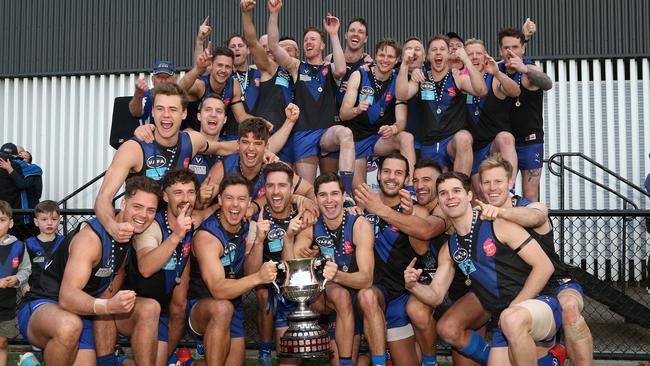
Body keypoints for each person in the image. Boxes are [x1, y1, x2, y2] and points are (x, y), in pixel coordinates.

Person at [404, 171, 562, 366]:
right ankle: (548, 359)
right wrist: (413, 286)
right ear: (439, 201)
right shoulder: (450, 248)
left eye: (456, 191)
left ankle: (546, 352)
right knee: (500, 325)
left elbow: (545, 266)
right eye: (443, 193)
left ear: (469, 196)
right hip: (503, 320)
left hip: (539, 304)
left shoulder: (499, 224)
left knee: (512, 319)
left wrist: (515, 306)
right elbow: (436, 295)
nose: (450, 197)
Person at [18, 176, 161, 366]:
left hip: (82, 311)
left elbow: (110, 286)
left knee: (150, 307)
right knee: (69, 326)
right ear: (124, 203)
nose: (144, 215)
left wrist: (109, 311)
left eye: (151, 210)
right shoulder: (90, 239)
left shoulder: (128, 236)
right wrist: (109, 307)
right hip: (44, 304)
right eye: (138, 207)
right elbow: (67, 297)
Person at [477, 153, 590, 365]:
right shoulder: (481, 214)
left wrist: (501, 213)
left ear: (510, 182)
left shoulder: (531, 206)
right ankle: (552, 356)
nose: (492, 187)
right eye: (487, 182)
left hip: (555, 282)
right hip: (521, 287)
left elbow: (536, 217)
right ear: (481, 186)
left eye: (498, 181)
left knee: (568, 307)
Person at [95, 82, 237, 243]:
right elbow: (103, 198)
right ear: (153, 112)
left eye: (173, 109)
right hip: (141, 231)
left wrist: (260, 149)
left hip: (176, 229)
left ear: (184, 113)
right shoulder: (133, 149)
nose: (166, 115)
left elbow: (220, 148)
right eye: (160, 109)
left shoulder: (192, 141)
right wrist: (112, 227)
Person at [353, 153, 446, 366]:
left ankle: (430, 362)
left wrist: (407, 215)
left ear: (406, 179)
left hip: (407, 291)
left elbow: (422, 249)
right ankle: (377, 362)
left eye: (398, 173)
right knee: (366, 296)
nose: (391, 177)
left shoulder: (417, 210)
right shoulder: (363, 208)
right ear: (378, 176)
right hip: (381, 291)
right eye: (386, 171)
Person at [117, 168, 215, 366]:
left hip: (160, 310)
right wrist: (176, 236)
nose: (185, 199)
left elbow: (203, 214)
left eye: (190, 192)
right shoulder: (152, 225)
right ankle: (119, 361)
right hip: (129, 308)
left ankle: (169, 358)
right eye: (178, 193)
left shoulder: (190, 221)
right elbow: (145, 266)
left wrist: (219, 205)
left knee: (178, 308)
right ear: (165, 196)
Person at [267, 0, 356, 199]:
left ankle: (347, 194)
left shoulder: (329, 69)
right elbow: (273, 46)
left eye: (313, 39)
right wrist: (274, 14)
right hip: (303, 134)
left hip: (326, 132)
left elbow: (341, 69)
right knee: (309, 194)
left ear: (322, 44)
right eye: (306, 40)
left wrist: (333, 33)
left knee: (346, 135)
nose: (308, 42)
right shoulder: (297, 66)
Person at [187, 174, 278, 365]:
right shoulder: (208, 236)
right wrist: (258, 278)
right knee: (222, 307)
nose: (235, 205)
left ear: (249, 204)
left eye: (241, 199)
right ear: (220, 200)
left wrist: (259, 242)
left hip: (232, 304)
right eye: (229, 198)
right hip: (201, 306)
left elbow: (252, 271)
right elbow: (218, 289)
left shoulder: (247, 227)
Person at [286, 173, 375, 366]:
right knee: (341, 296)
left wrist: (337, 274)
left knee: (355, 361)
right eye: (323, 195)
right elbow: (293, 262)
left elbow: (367, 279)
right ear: (316, 199)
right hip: (324, 296)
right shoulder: (310, 223)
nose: (329, 200)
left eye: (334, 194)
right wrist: (293, 242)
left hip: (356, 299)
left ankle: (365, 359)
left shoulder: (359, 224)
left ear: (344, 196)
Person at [396, 35, 487, 176]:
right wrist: (404, 64)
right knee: (430, 187)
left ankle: (461, 187)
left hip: (451, 142)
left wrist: (466, 60)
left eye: (442, 49)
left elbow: (481, 90)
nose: (438, 52)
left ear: (448, 54)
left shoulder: (457, 78)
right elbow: (402, 94)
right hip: (429, 144)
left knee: (463, 138)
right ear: (427, 56)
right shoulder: (421, 78)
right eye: (434, 49)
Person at [247, 162, 306, 366]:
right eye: (270, 186)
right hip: (269, 284)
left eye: (282, 185)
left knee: (289, 361)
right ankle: (264, 350)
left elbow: (298, 266)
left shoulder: (304, 213)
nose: (276, 191)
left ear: (291, 189)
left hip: (297, 288)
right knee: (263, 290)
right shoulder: (257, 218)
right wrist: (258, 241)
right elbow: (251, 273)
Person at [339, 39, 415, 190]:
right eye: (381, 55)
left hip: (379, 139)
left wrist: (393, 129)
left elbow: (401, 121)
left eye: (390, 57)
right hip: (357, 139)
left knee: (406, 137)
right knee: (361, 194)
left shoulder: (398, 79)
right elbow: (343, 114)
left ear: (397, 60)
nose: (385, 60)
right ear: (375, 56)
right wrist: (357, 109)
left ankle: (410, 188)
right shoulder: (359, 75)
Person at [240, 0, 300, 163]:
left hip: (297, 137)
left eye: (290, 49)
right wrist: (246, 14)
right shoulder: (271, 68)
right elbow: (252, 43)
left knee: (290, 185)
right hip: (269, 136)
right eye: (282, 48)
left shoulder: (306, 72)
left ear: (298, 53)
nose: (286, 52)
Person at [205, 117, 314, 204]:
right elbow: (202, 206)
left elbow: (310, 191)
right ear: (238, 145)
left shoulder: (276, 167)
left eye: (257, 143)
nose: (251, 148)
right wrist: (202, 199)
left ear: (266, 147)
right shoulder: (223, 168)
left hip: (267, 226)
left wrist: (309, 206)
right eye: (246, 142)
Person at [499, 27, 553, 201]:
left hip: (530, 141)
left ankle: (536, 228)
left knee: (530, 195)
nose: (511, 52)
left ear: (523, 49)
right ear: (500, 50)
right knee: (504, 193)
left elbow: (548, 83)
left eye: (515, 47)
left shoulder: (530, 68)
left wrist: (525, 69)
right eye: (506, 48)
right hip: (505, 143)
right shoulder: (496, 69)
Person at [463, 38, 521, 197]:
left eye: (478, 53)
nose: (474, 57)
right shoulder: (459, 80)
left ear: (486, 56)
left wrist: (497, 72)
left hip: (493, 147)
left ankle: (510, 188)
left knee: (506, 138)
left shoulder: (494, 78)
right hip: (472, 150)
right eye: (470, 54)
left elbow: (515, 92)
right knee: (483, 199)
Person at [180, 40, 254, 141]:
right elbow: (178, 90)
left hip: (215, 138)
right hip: (191, 136)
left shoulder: (234, 85)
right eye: (219, 65)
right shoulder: (201, 85)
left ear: (233, 68)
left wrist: (260, 122)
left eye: (227, 67)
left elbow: (241, 116)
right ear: (211, 65)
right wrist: (197, 69)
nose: (223, 70)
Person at [0, 201, 31, 366]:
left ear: (10, 223)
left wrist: (18, 279)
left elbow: (26, 269)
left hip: (6, 304)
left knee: (2, 343)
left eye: (2, 219)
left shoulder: (18, 246)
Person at [0, 145, 43, 240]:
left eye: (23, 155)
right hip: (10, 213)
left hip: (27, 214)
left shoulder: (32, 170)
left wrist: (10, 169)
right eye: (18, 154)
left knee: (30, 243)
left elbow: (23, 185)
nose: (19, 157)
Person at [24, 200, 63, 293]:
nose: (49, 223)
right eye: (44, 219)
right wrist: (24, 284)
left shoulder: (65, 242)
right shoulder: (28, 243)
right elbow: (23, 267)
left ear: (59, 221)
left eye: (54, 219)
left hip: (59, 290)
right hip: (35, 290)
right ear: (36, 222)